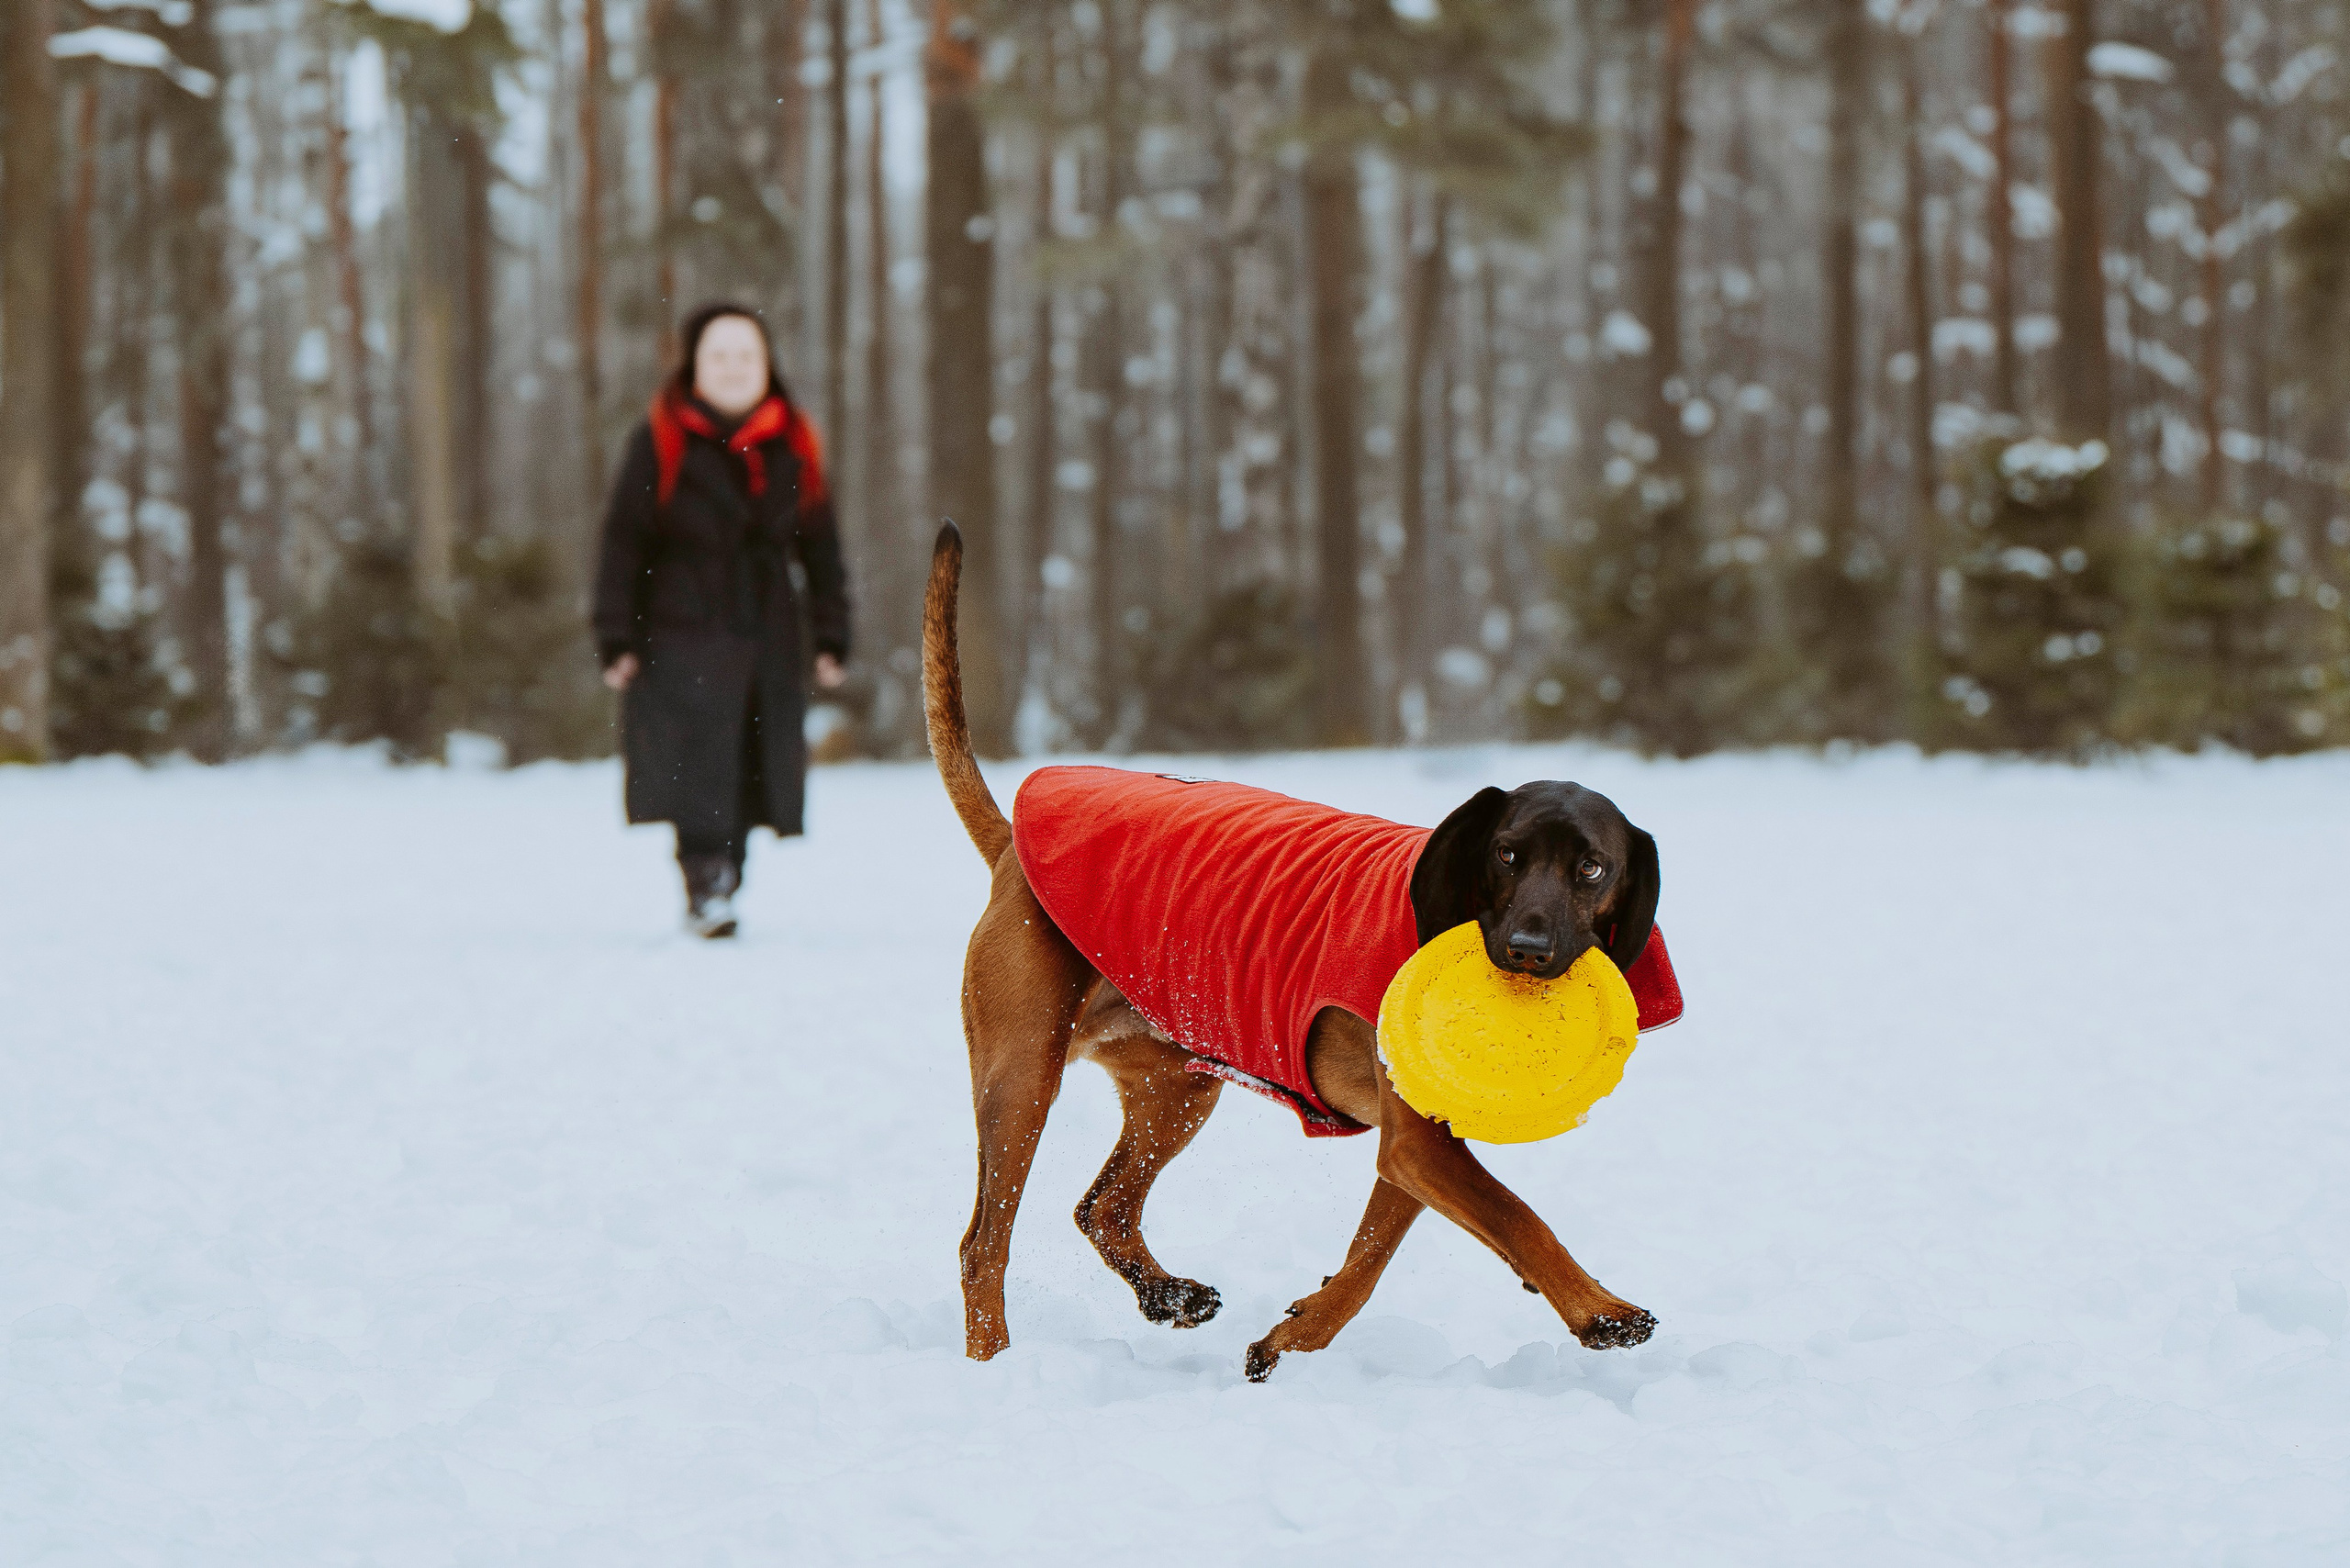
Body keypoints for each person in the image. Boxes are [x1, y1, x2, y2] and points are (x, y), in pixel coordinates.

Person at [593, 304, 851, 937]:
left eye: (746, 355)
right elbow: (623, 542)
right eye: (719, 355)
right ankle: (705, 881)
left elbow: (820, 547)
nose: (734, 368)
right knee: (696, 763)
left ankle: (728, 878)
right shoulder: (660, 439)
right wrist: (616, 636)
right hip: (680, 627)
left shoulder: (794, 441)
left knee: (753, 762)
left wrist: (832, 634)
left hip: (767, 629)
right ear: (695, 365)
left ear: (766, 364)